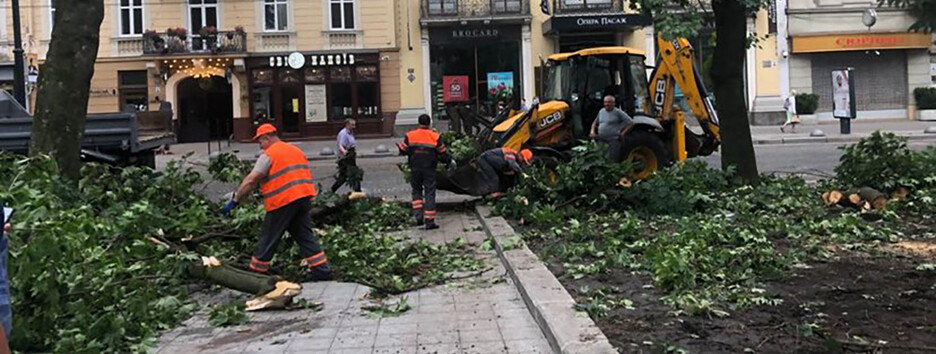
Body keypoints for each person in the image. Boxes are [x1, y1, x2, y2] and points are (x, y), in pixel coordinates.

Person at [221, 124, 332, 280]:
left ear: (267, 138)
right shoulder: (295, 150)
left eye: (260, 141)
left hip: (282, 200)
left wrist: (235, 200)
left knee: (269, 236)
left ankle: (257, 275)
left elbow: (252, 180)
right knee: (304, 235)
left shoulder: (269, 154)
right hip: (303, 198)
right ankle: (322, 270)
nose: (260, 146)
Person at [397, 114, 450, 230]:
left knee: (416, 191)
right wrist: (448, 162)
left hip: (415, 167)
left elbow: (403, 149)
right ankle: (429, 220)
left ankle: (418, 217)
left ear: (418, 123)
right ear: (429, 123)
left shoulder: (410, 135)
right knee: (429, 192)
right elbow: (442, 153)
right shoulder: (435, 136)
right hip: (429, 168)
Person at [589, 95, 633, 162]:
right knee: (599, 158)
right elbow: (595, 122)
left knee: (612, 159)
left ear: (613, 103)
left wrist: (623, 133)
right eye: (605, 102)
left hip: (613, 140)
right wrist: (592, 132)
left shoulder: (618, 112)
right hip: (601, 139)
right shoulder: (601, 111)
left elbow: (631, 123)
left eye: (609, 102)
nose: (607, 104)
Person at [330, 119, 363, 193]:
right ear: (347, 125)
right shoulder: (343, 133)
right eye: (352, 125)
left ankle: (357, 190)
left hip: (350, 156)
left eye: (354, 125)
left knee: (347, 175)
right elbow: (340, 145)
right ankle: (357, 191)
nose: (354, 127)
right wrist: (344, 152)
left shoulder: (350, 132)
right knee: (353, 174)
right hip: (345, 158)